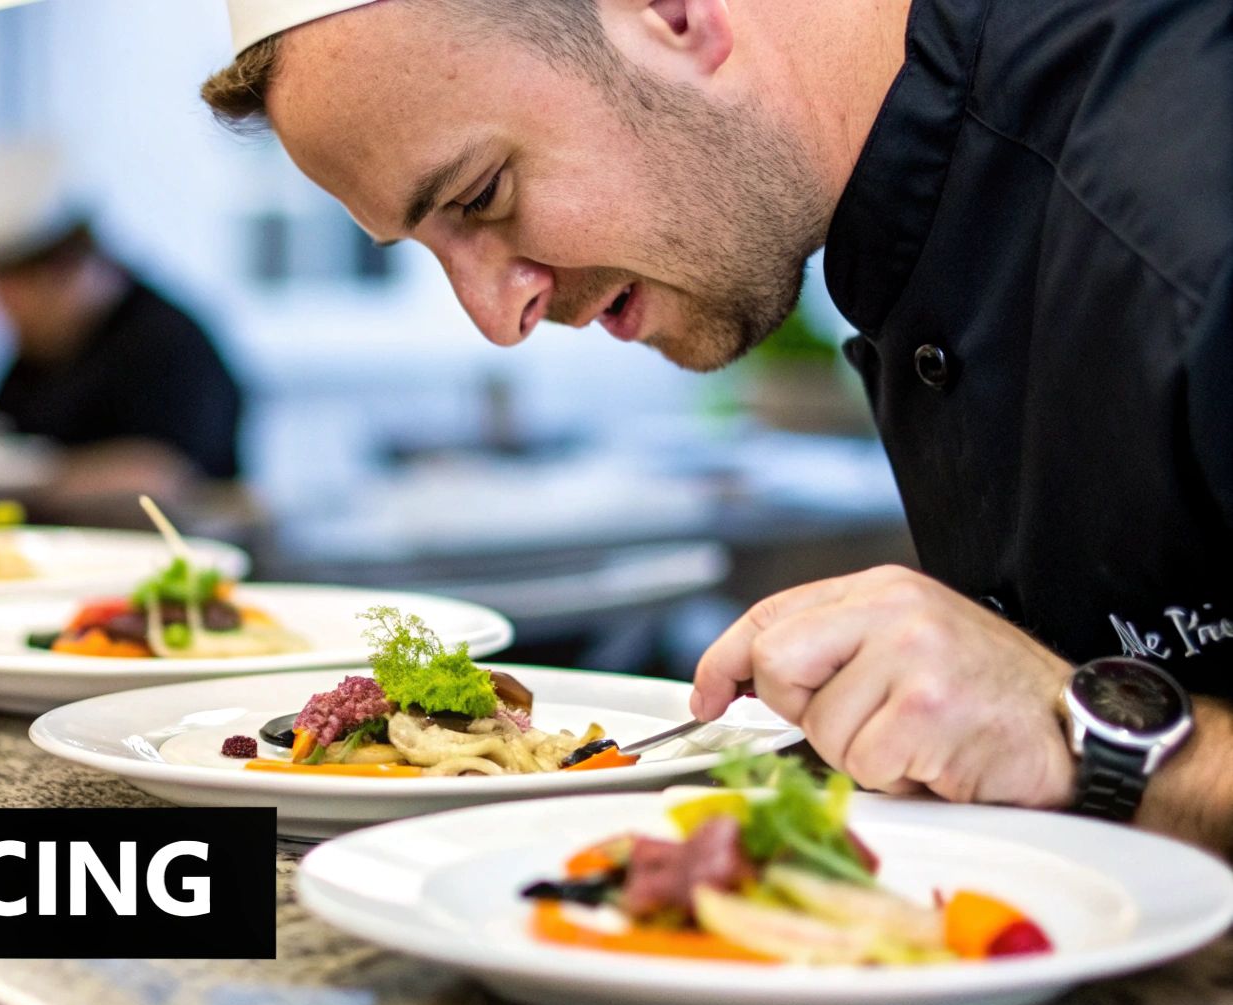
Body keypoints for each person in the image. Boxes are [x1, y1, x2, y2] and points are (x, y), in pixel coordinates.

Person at [200, 0, 1233, 848]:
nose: (495, 319)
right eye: (423, 247)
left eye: (482, 192)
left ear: (671, 15)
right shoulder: (908, 209)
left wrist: (1091, 740)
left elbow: (1068, 735)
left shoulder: (1184, 201)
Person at [0, 142, 243, 502]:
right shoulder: (42, 347)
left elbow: (163, 476)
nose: (3, 314)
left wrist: (28, 482)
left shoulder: (169, 342)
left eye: (13, 296)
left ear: (66, 270)